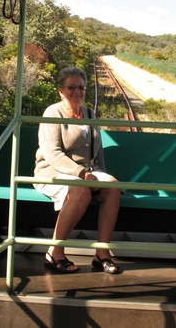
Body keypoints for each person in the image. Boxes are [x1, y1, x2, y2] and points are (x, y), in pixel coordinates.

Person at [34, 66, 122, 274]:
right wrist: (82, 174)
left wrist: (103, 177)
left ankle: (102, 253)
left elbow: (97, 152)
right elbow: (52, 153)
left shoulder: (90, 114)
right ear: (61, 90)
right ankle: (54, 252)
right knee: (80, 189)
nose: (77, 91)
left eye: (81, 87)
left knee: (113, 188)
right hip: (53, 171)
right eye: (71, 87)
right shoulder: (53, 113)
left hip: (87, 172)